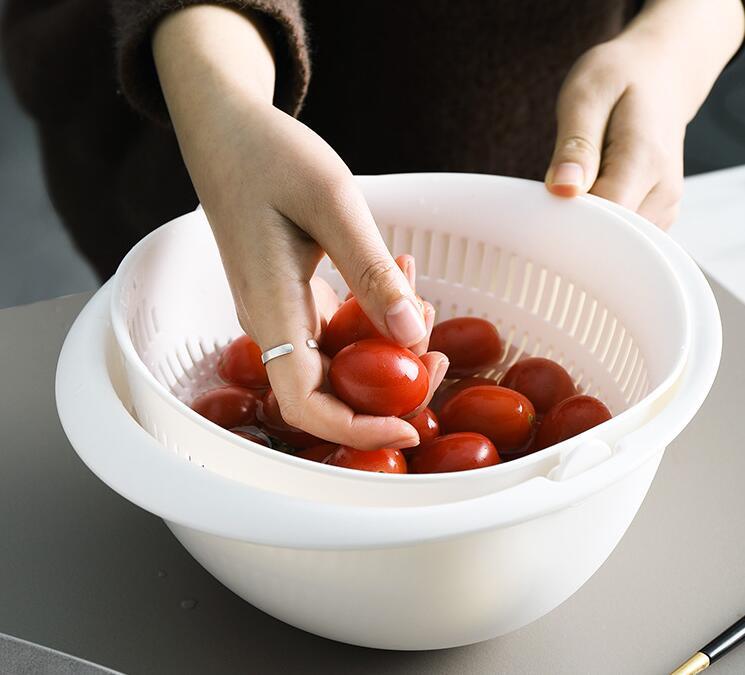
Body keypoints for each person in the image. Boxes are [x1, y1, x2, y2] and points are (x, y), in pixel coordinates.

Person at [3, 1, 743, 449]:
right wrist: (224, 108)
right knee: (221, 315)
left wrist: (674, 46)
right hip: (207, 132)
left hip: (520, 157)